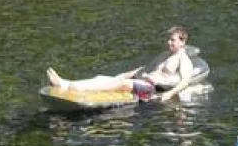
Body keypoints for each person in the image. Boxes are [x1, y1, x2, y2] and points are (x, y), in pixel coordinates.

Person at [45, 26, 199, 103]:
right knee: (103, 77)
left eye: (173, 40)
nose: (169, 42)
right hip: (142, 81)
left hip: (150, 89)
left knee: (120, 83)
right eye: (169, 39)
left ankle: (72, 87)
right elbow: (144, 69)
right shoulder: (165, 55)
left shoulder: (183, 60)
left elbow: (185, 81)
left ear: (182, 41)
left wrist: (169, 94)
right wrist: (124, 75)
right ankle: (65, 83)